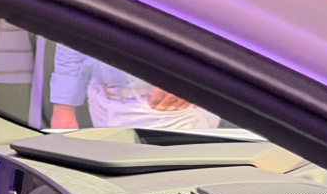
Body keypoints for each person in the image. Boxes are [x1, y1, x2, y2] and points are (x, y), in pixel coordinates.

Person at [49, 44, 220, 130]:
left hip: (164, 106)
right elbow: (72, 36)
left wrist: (192, 75)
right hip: (102, 102)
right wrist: (63, 107)